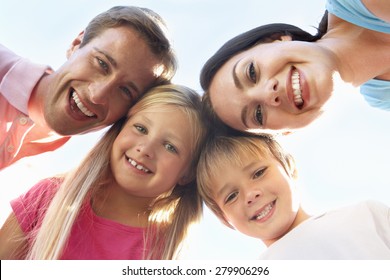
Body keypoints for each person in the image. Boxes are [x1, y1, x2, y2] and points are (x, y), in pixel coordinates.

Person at [0, 84, 208, 260]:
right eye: (141, 129)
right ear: (120, 129)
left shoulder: (161, 252)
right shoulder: (50, 196)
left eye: (170, 147)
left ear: (187, 173)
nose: (145, 149)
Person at [0, 5, 177, 170]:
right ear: (76, 44)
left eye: (125, 91)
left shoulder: (65, 168)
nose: (97, 96)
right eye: (102, 63)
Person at [200, 0, 390, 134]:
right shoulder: (381, 97)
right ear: (288, 132)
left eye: (251, 72)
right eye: (258, 114)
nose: (268, 94)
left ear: (274, 39)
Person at [197, 132, 390, 259]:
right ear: (224, 218)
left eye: (259, 173)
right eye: (231, 196)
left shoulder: (366, 215)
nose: (250, 195)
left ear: (289, 167)